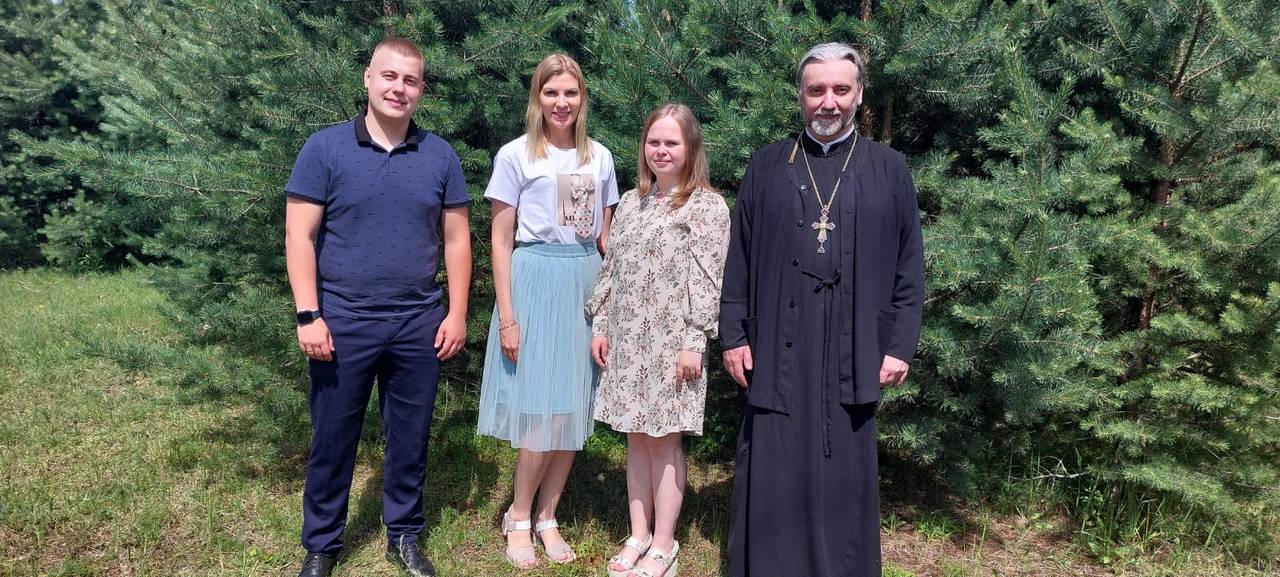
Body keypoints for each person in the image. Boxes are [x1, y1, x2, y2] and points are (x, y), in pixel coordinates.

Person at [719, 42, 924, 577]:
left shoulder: (890, 168)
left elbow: (909, 265)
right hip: (778, 340)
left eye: (840, 89)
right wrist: (734, 336)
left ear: (859, 94)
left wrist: (900, 345)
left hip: (854, 344)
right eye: (816, 90)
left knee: (844, 468)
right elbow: (739, 258)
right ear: (800, 95)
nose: (828, 102)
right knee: (775, 459)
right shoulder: (767, 164)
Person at [282, 37, 471, 577]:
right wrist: (308, 314)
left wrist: (456, 313)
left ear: (421, 90)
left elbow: (457, 239)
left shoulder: (439, 155)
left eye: (410, 80)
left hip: (418, 322)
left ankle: (404, 535)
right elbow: (299, 236)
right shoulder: (325, 148)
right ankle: (322, 545)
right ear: (368, 78)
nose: (398, 88)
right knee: (332, 440)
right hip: (342, 321)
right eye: (389, 76)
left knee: (410, 439)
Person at [475, 53, 619, 569]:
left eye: (570, 93)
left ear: (583, 98)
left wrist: (612, 306)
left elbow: (605, 238)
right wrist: (508, 316)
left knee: (571, 406)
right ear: (537, 97)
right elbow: (500, 239)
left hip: (583, 282)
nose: (561, 102)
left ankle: (548, 515)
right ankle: (517, 516)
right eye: (551, 92)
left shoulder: (599, 157)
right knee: (540, 409)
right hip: (534, 280)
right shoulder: (516, 155)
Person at [587, 104, 730, 577]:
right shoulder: (632, 202)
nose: (661, 150)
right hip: (628, 339)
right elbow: (612, 269)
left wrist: (695, 340)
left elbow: (709, 280)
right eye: (654, 141)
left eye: (672, 142)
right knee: (635, 439)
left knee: (664, 441)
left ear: (691, 147)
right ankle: (638, 534)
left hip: (674, 343)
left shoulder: (706, 206)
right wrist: (601, 324)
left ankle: (665, 544)